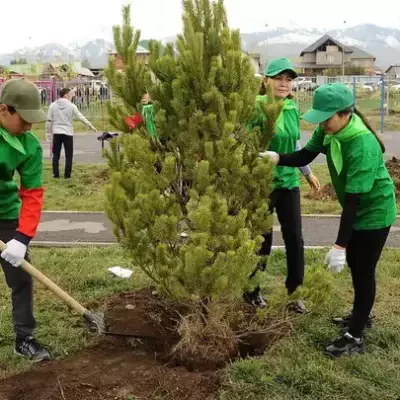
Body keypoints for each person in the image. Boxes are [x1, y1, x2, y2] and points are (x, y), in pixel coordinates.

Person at [263, 82, 397, 357]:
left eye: (326, 119)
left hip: (374, 212)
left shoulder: (362, 143)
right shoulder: (331, 131)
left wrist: (338, 245)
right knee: (355, 265)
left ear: (345, 114)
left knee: (363, 269)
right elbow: (305, 154)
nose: (322, 125)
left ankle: (355, 335)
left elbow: (353, 202)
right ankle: (361, 315)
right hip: (357, 207)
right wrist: (277, 157)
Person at [245, 58, 320, 311]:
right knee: (261, 240)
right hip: (261, 184)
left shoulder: (290, 107)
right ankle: (252, 291)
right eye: (279, 78)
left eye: (289, 79)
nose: (284, 84)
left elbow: (295, 145)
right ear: (266, 81)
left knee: (295, 240)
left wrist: (306, 172)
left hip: (288, 182)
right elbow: (243, 143)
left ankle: (294, 293)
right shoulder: (256, 108)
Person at [0, 78, 51, 361]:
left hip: (7, 213)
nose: (30, 127)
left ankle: (24, 338)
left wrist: (21, 238)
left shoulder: (29, 145)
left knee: (22, 277)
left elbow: (32, 194)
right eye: (25, 119)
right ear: (4, 110)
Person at [46, 87, 97, 179]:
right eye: (70, 94)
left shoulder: (53, 105)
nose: (72, 96)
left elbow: (49, 120)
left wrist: (48, 133)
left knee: (56, 154)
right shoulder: (71, 106)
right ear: (65, 95)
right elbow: (81, 117)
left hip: (57, 132)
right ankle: (67, 175)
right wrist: (90, 125)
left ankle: (56, 174)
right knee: (69, 155)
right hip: (68, 133)